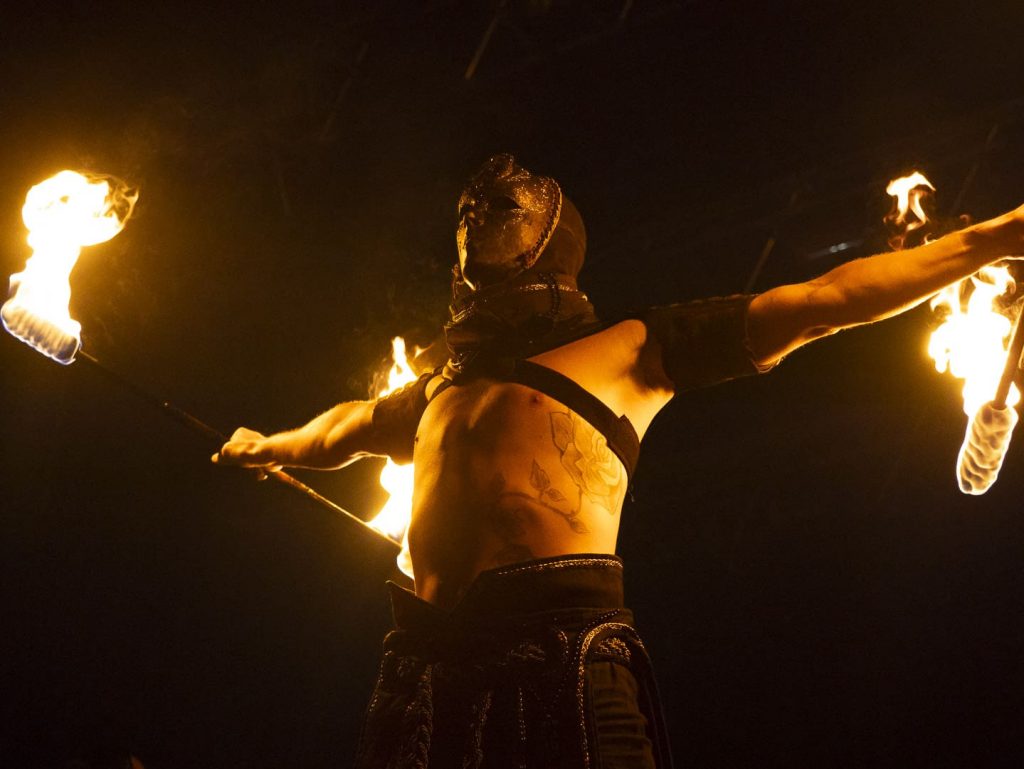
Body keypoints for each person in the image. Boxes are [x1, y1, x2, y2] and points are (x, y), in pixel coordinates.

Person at [213, 154, 1024, 767]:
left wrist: (995, 236)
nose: (478, 212)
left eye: (504, 204)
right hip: (426, 674)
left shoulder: (632, 347)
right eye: (469, 208)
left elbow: (825, 302)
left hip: (562, 665)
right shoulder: (438, 388)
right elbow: (344, 429)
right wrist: (266, 445)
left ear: (552, 237)